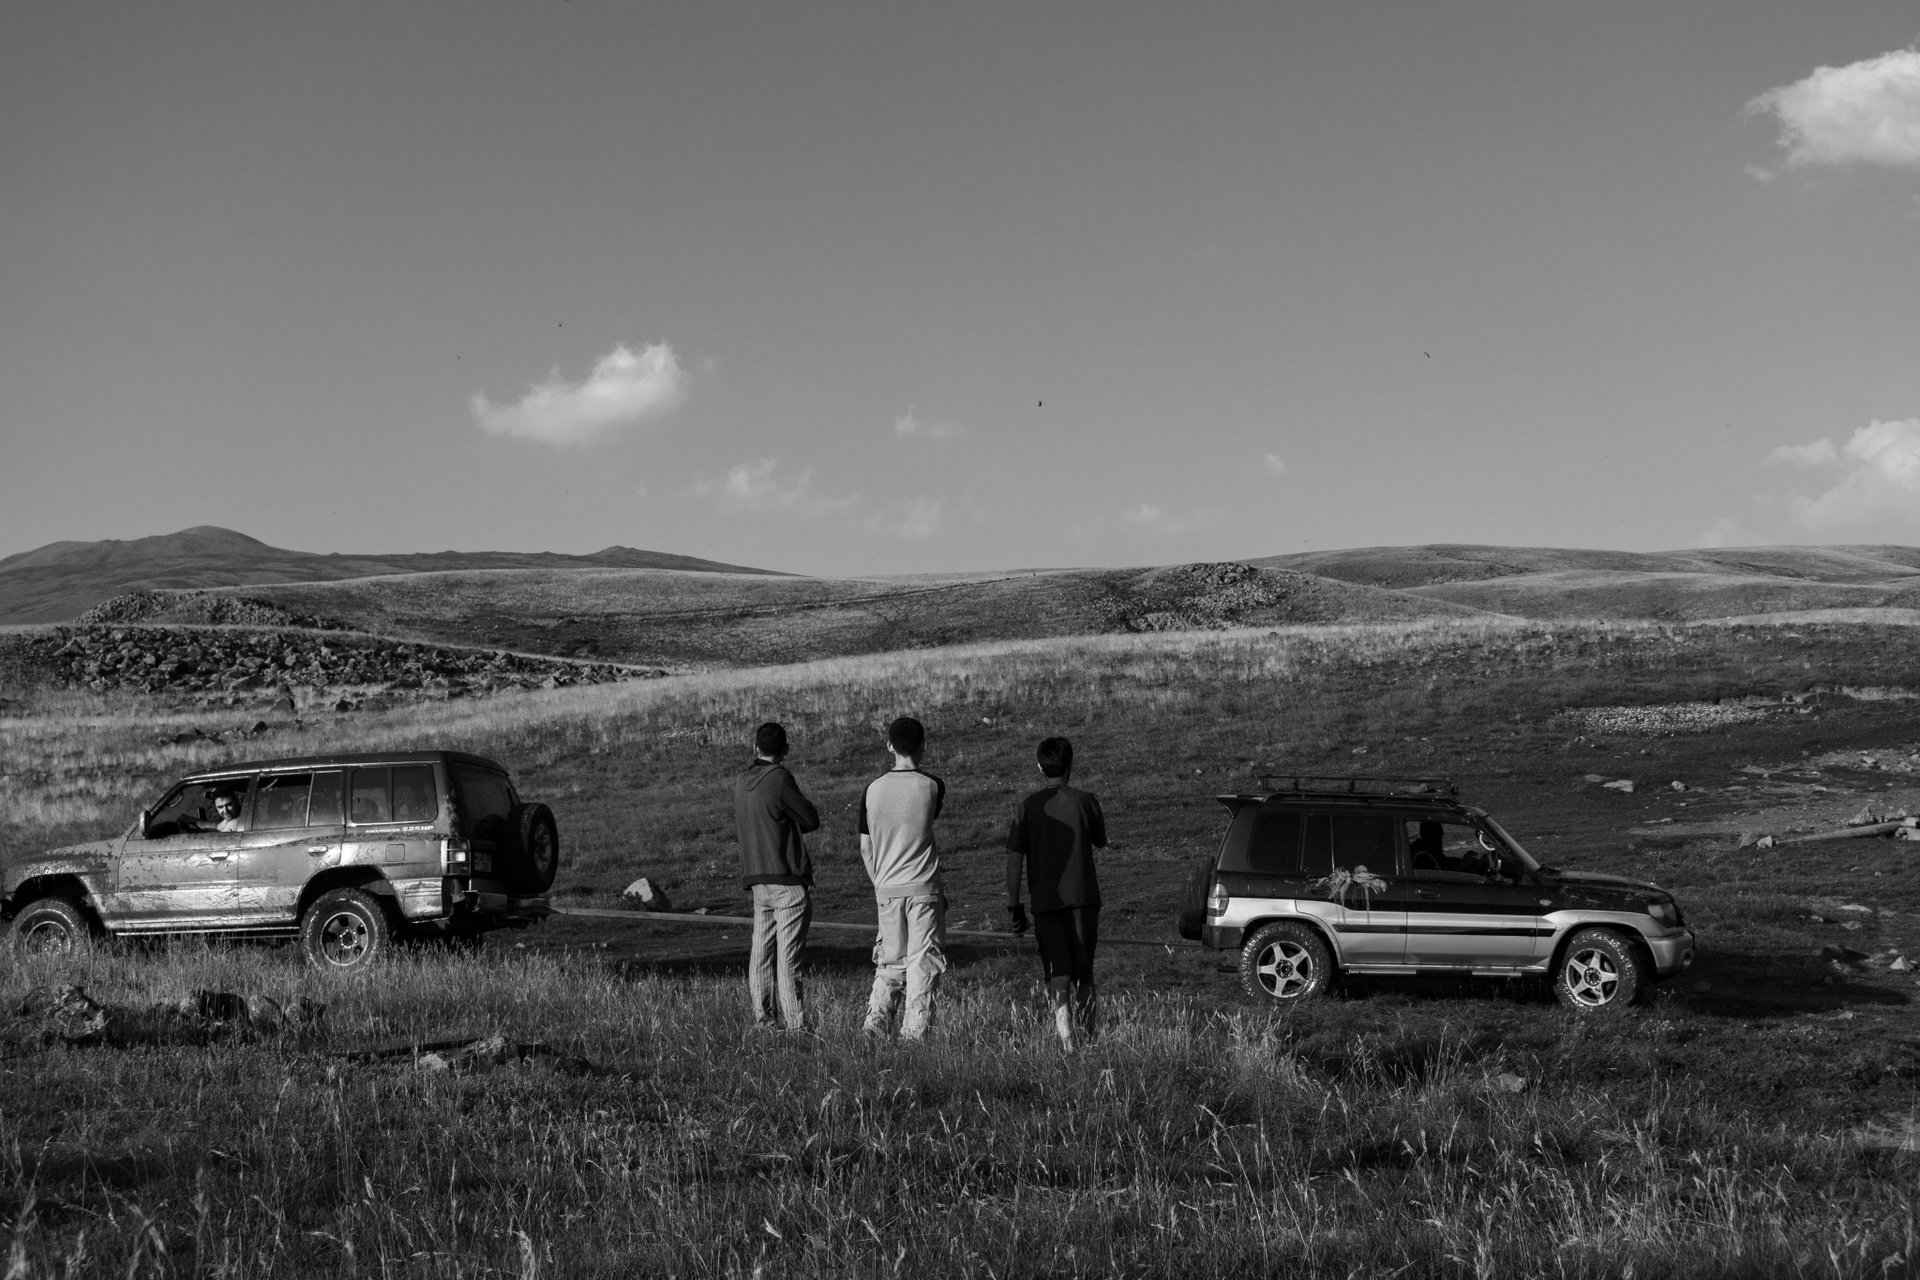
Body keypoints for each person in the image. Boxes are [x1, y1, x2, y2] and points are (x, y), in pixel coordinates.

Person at [1005, 736, 1107, 1052]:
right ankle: (1089, 1040)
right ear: (1071, 763)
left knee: (1057, 972)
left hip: (1046, 902)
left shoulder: (1027, 807)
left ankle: (1067, 1043)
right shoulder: (1086, 800)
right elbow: (1100, 840)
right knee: (1084, 975)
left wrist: (1014, 906)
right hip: (1083, 899)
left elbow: (1014, 860)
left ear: (1040, 767)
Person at [858, 716, 947, 1042]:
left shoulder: (871, 790)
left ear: (889, 746)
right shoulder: (933, 786)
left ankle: (874, 1029)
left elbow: (866, 847)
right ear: (923, 746)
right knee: (922, 965)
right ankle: (914, 1036)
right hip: (923, 887)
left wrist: (879, 883)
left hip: (887, 888)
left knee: (890, 963)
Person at [734, 722, 821, 1032]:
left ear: (755, 748)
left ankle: (764, 1022)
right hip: (786, 878)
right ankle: (797, 1026)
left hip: (757, 878)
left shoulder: (742, 781)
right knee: (788, 959)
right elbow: (810, 819)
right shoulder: (780, 778)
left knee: (760, 955)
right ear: (786, 749)